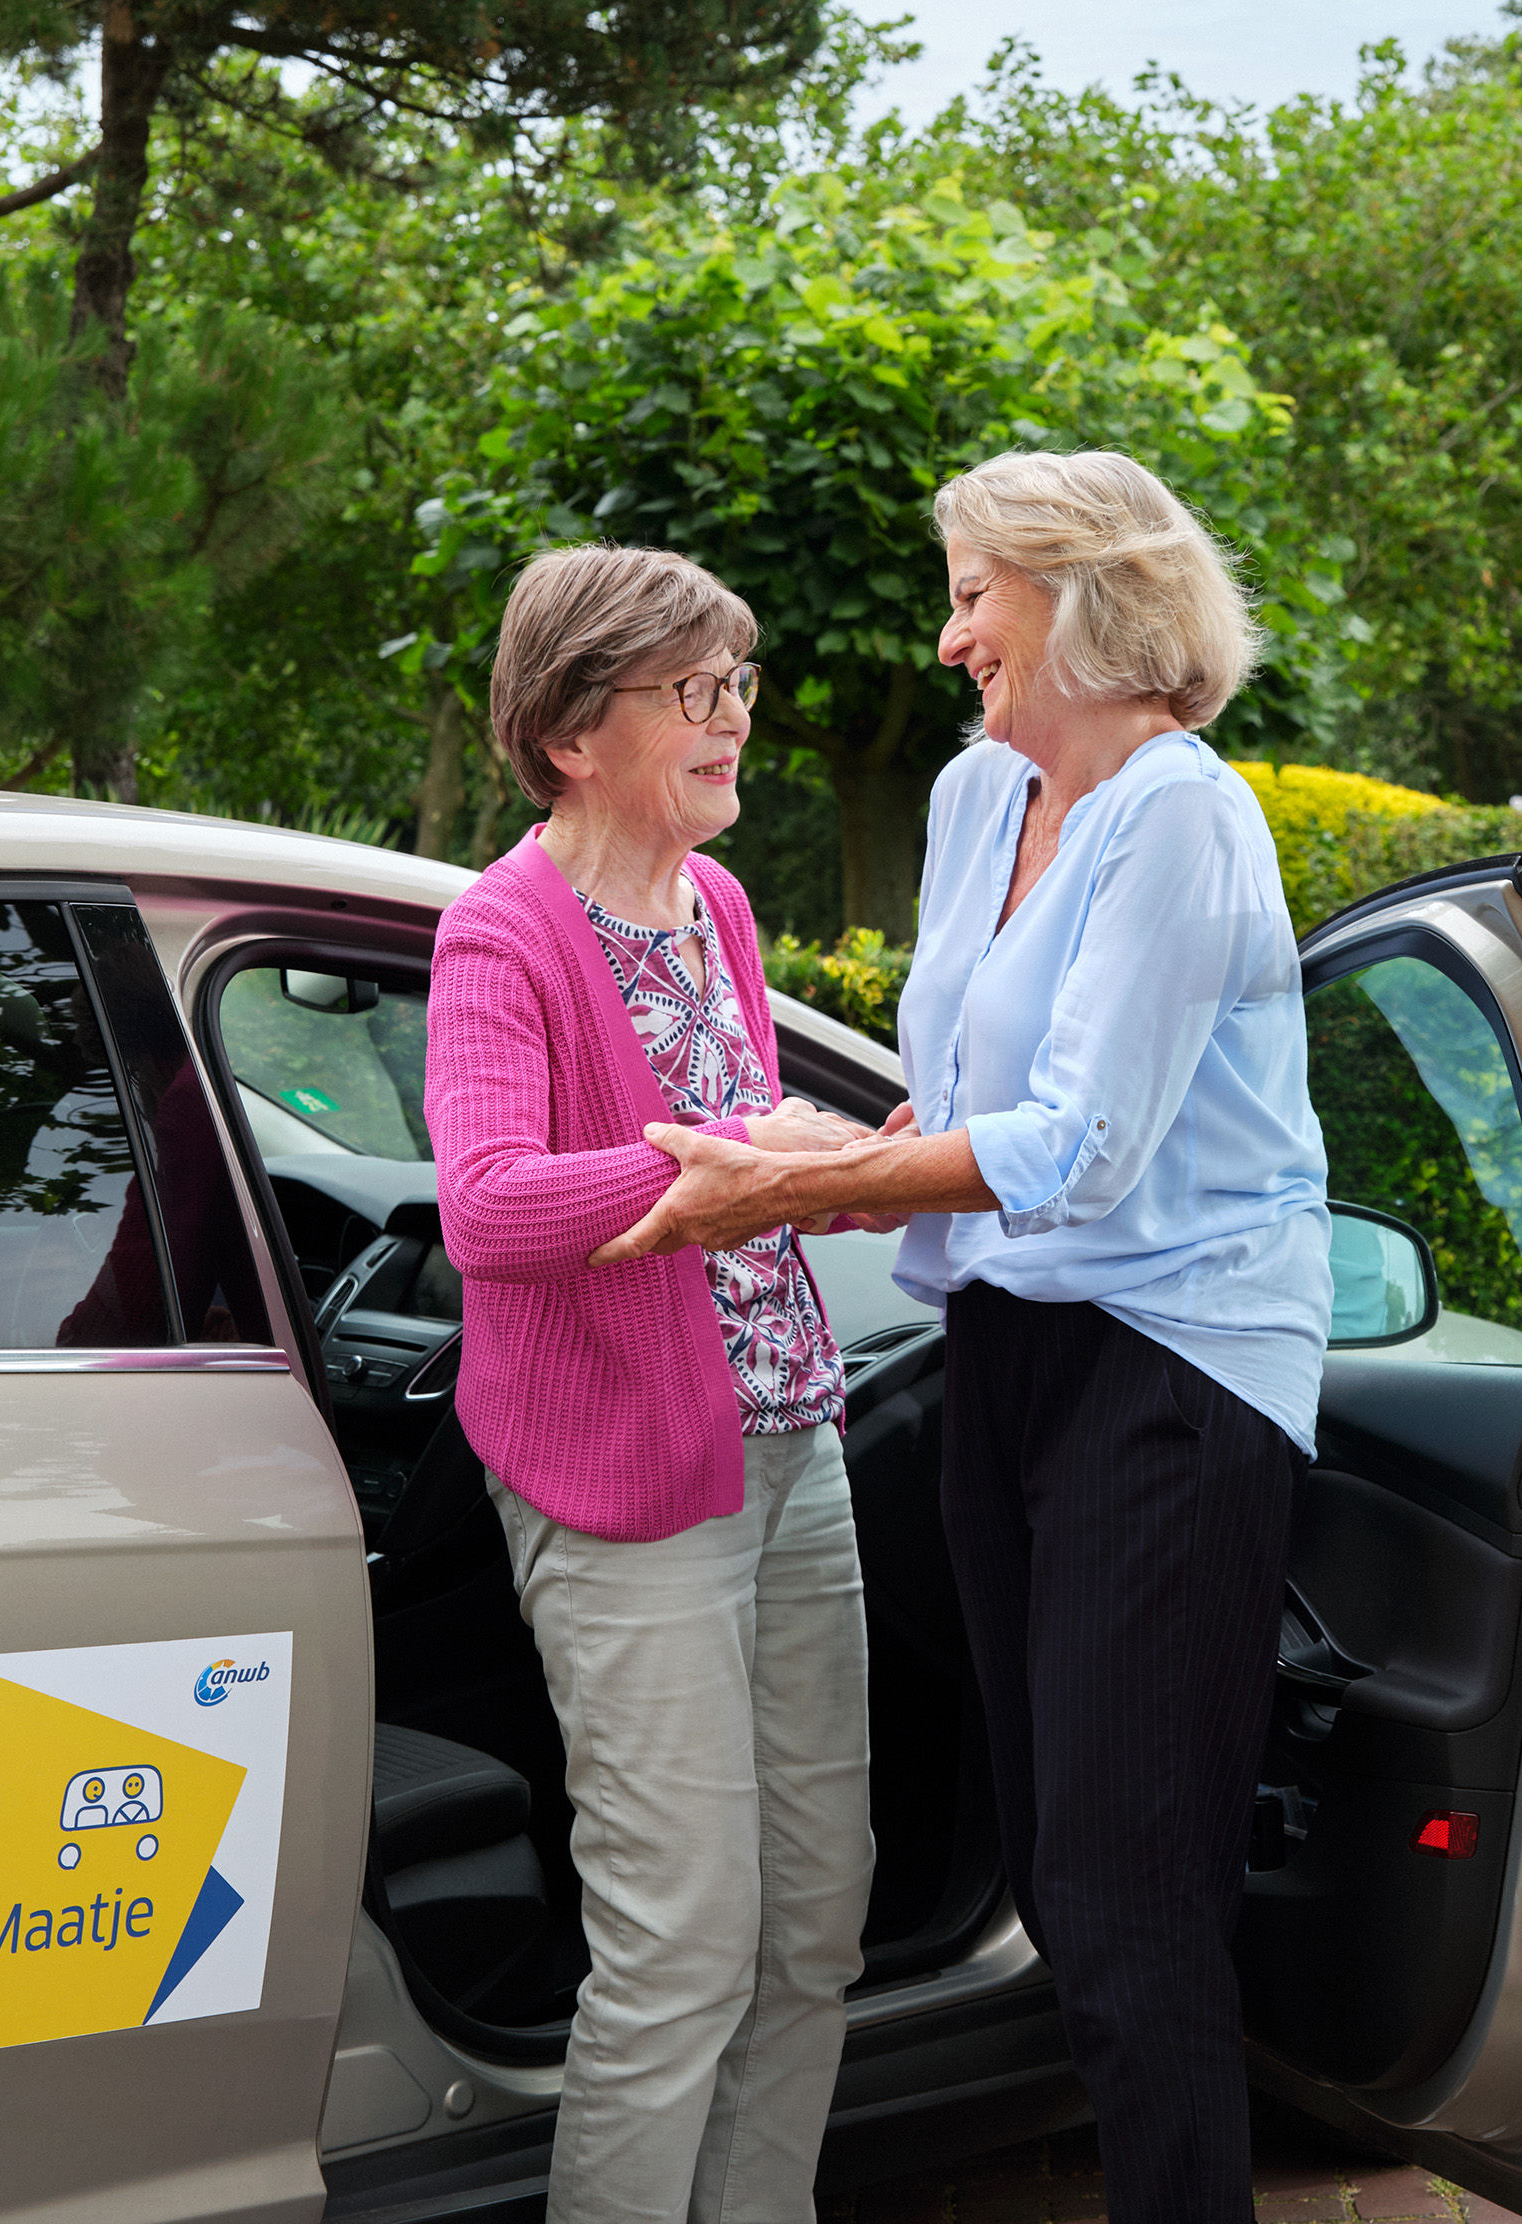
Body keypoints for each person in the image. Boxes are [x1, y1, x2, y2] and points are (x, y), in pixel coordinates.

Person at [601, 450, 1332, 2224]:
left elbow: (1084, 1150)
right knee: (1051, 1859)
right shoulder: (975, 800)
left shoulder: (1183, 812)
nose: (948, 640)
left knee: (1121, 1889)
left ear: (1083, 594)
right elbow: (967, 1100)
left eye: (971, 597)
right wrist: (826, 1158)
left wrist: (803, 1189)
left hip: (1176, 1364)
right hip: (1009, 1346)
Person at [422, 543, 883, 2224]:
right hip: (623, 1484)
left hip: (793, 1447)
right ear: (567, 731)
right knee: (681, 1943)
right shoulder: (502, 933)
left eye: (739, 685)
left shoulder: (721, 907)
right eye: (694, 691)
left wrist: (829, 1169)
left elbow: (735, 1173)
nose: (733, 719)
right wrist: (711, 1173)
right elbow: (488, 1208)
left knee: (817, 1919)